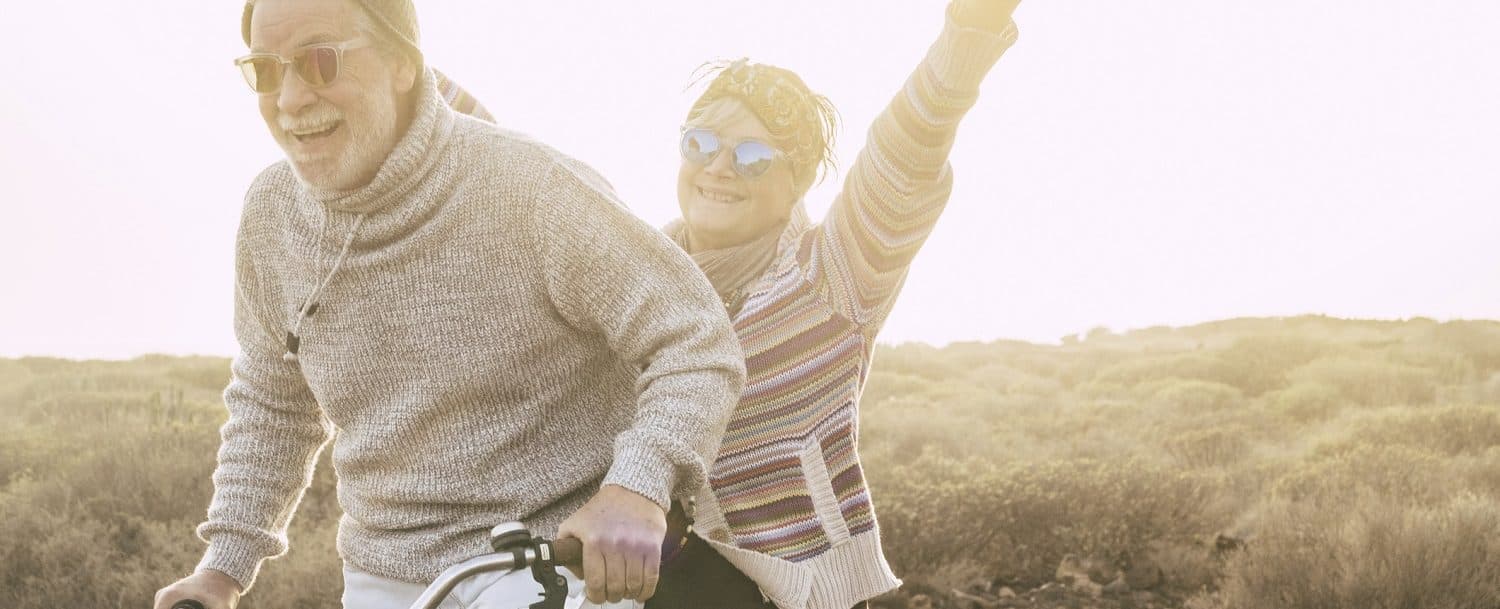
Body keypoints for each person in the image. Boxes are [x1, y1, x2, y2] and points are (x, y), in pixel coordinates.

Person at [151, 0, 746, 608]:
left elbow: (695, 339)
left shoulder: (532, 187)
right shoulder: (273, 214)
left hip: (549, 561)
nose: (291, 99)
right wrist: (222, 568)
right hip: (382, 576)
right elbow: (274, 402)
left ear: (403, 63)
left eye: (318, 62)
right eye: (268, 71)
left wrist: (637, 487)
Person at [646, 1, 1023, 607]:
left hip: (794, 590)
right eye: (701, 142)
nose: (718, 166)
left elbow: (903, 156)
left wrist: (969, 32)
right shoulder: (629, 272)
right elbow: (505, 165)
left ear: (795, 182)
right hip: (644, 578)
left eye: (751, 155)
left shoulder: (832, 278)